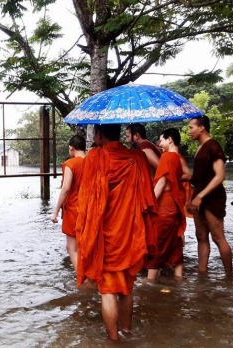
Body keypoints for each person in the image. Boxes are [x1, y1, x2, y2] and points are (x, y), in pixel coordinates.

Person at [76, 124, 157, 341]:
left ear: (100, 134)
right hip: (130, 234)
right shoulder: (137, 158)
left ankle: (114, 341)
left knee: (108, 292)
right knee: (127, 290)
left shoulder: (93, 158)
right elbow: (148, 199)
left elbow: (86, 204)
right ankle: (127, 333)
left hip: (104, 237)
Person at [187, 116, 233, 276]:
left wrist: (200, 196)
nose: (189, 131)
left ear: (202, 128)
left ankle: (229, 276)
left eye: (191, 127)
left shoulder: (213, 147)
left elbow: (220, 176)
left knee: (217, 237)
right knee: (201, 236)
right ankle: (202, 273)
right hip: (199, 195)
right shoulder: (200, 147)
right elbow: (199, 176)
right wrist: (192, 197)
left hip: (213, 197)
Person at [146, 128, 191, 280]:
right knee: (175, 242)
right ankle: (179, 278)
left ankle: (150, 280)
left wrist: (149, 203)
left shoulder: (167, 157)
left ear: (170, 139)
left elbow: (162, 182)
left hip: (164, 205)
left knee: (158, 242)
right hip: (175, 206)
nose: (160, 143)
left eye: (162, 140)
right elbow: (187, 175)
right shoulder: (178, 158)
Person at [50, 135, 86, 269]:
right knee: (85, 246)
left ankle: (83, 282)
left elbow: (66, 188)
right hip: (90, 208)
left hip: (74, 209)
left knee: (72, 248)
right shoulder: (93, 161)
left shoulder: (70, 164)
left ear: (71, 148)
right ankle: (91, 279)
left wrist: (56, 211)